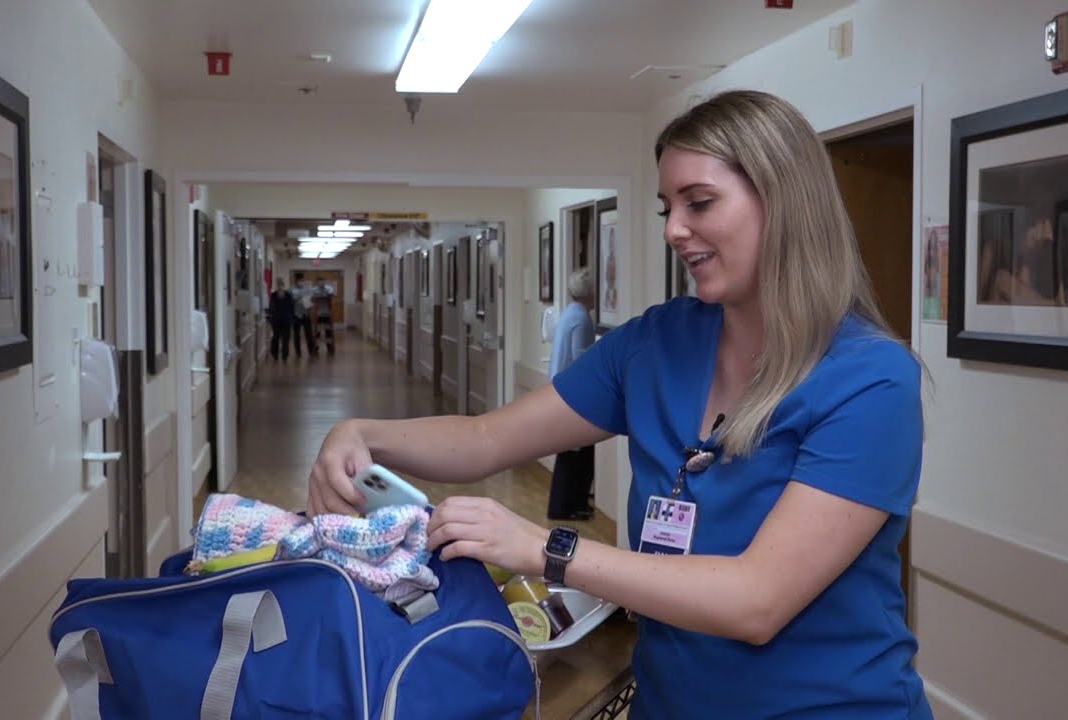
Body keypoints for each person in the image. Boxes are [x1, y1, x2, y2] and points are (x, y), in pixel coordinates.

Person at [308, 89, 931, 719]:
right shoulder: (656, 343)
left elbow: (757, 601)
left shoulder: (870, 381)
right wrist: (363, 433)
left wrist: (548, 549)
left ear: (784, 202)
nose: (673, 230)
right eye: (668, 207)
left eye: (700, 202)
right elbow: (486, 438)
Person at [546, 268, 597, 520]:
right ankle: (566, 507)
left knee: (571, 452)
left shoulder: (570, 313)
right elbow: (580, 357)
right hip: (574, 394)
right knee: (575, 455)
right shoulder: (582, 318)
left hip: (561, 389)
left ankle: (571, 503)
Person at [267, 277, 294, 360]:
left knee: (286, 338)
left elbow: (292, 307)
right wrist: (270, 318)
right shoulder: (273, 295)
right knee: (276, 337)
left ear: (283, 285)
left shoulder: (288, 295)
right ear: (277, 285)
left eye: (281, 285)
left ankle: (285, 355)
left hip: (286, 320)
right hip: (276, 320)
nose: (280, 287)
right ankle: (275, 354)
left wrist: (291, 319)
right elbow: (271, 307)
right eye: (278, 285)